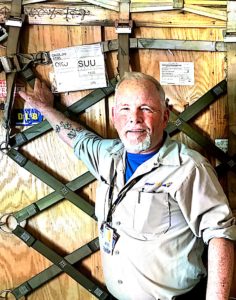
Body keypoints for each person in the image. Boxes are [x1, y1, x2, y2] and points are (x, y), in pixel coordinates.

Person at [19, 72, 236, 300]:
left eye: (146, 108)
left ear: (165, 117)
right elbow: (77, 138)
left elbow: (220, 236)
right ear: (114, 116)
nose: (134, 118)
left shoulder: (189, 168)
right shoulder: (107, 156)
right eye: (125, 109)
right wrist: (45, 108)